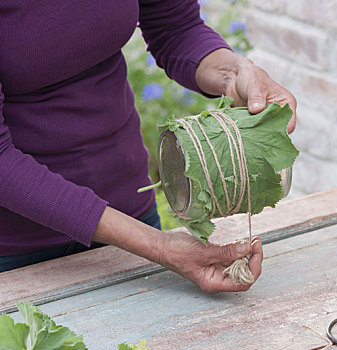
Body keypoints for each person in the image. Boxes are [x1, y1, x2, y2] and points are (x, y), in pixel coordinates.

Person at [0, 0, 297, 293]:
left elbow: (175, 26)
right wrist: (158, 247)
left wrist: (233, 72)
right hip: (16, 254)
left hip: (130, 217)